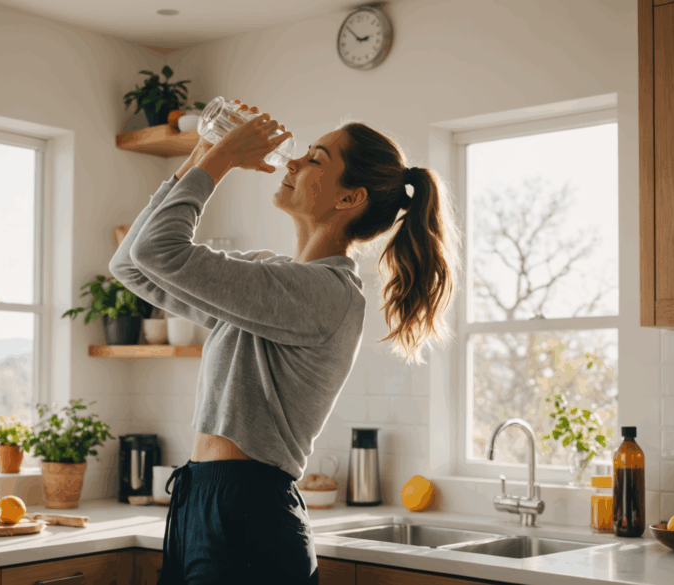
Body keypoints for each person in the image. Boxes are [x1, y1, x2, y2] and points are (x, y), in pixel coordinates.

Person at [108, 100, 461, 585]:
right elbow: (130, 264)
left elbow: (155, 250)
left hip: (247, 515)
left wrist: (223, 159)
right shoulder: (273, 280)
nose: (292, 161)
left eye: (315, 159)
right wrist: (205, 151)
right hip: (204, 502)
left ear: (348, 198)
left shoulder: (325, 294)